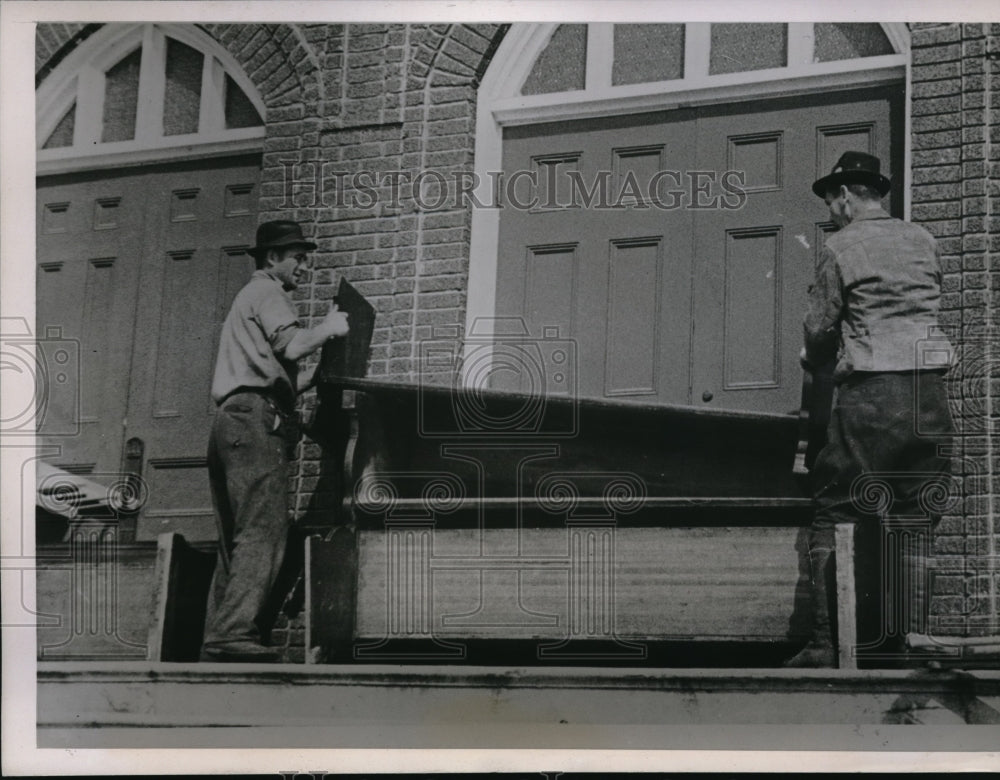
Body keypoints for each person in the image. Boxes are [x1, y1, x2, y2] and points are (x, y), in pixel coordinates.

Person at [786, 151, 955, 668]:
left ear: (846, 197)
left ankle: (823, 643)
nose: (832, 214)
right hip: (929, 395)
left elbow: (820, 329)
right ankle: (913, 642)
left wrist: (815, 359)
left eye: (832, 204)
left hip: (872, 393)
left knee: (836, 506)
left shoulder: (841, 246)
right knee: (916, 514)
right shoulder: (924, 240)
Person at [200, 220, 349, 662]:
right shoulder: (268, 292)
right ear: (271, 259)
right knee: (263, 531)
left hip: (231, 421)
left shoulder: (246, 299)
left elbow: (280, 375)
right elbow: (293, 345)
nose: (304, 267)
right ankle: (232, 634)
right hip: (254, 423)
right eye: (297, 257)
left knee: (238, 538)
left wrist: (316, 375)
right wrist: (331, 327)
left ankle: (217, 643)